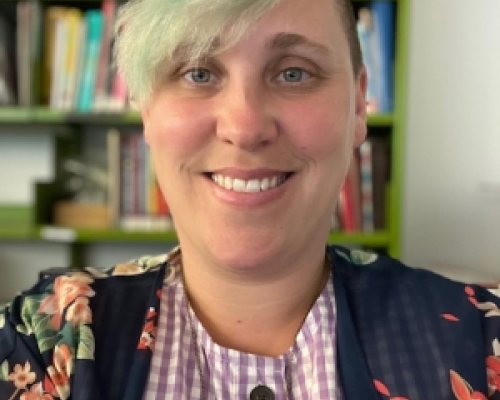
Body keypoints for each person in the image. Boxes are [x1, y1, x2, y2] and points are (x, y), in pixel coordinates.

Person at [1, 0, 499, 398]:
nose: (244, 127)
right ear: (146, 109)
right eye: (198, 72)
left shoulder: (482, 344)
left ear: (358, 105)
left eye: (293, 73)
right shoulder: (44, 340)